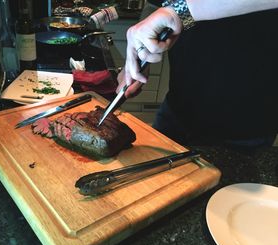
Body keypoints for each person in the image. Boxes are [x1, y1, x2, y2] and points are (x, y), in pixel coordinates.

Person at [117, 0, 278, 148]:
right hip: (177, 108)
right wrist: (141, 52)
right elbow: (155, 4)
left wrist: (179, 11)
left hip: (247, 122)